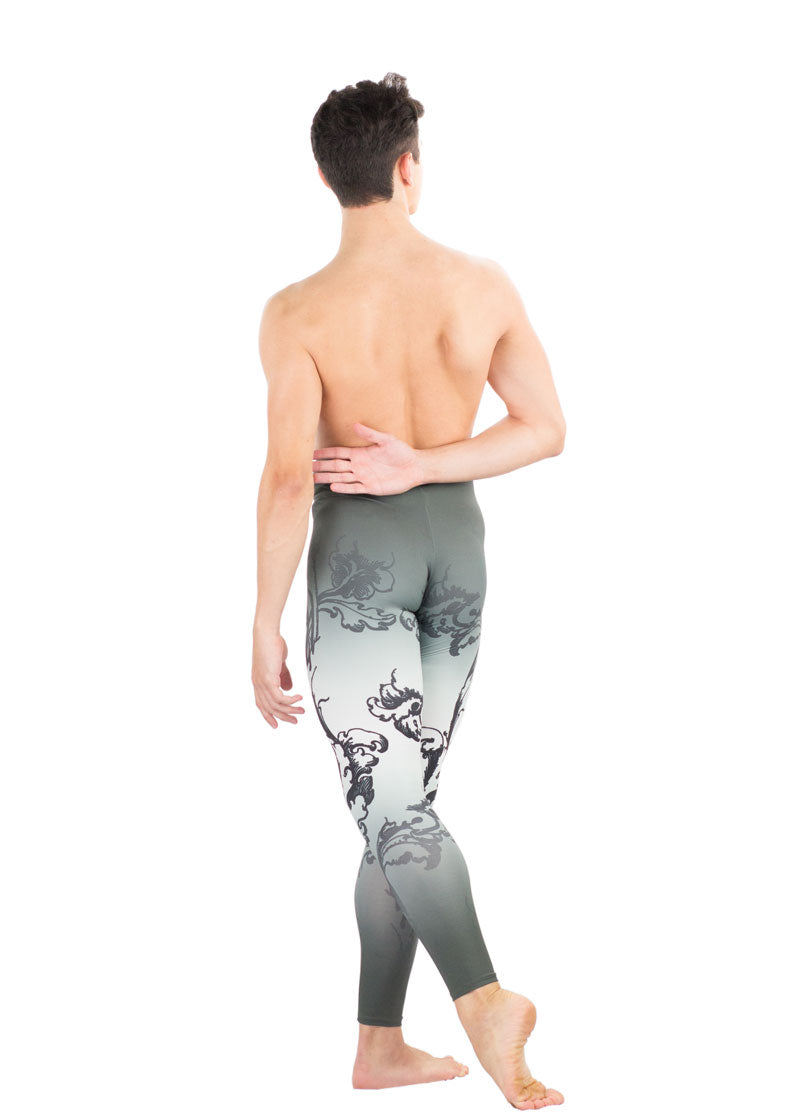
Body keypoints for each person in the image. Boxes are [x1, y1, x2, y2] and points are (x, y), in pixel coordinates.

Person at [252, 72, 567, 1110]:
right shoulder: (481, 284)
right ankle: (379, 1044)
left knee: (390, 807)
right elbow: (543, 428)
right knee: (399, 806)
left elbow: (288, 478)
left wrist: (261, 620)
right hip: (458, 556)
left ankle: (482, 997)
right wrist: (428, 464)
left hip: (361, 563)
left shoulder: (297, 311)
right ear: (406, 168)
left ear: (324, 176)